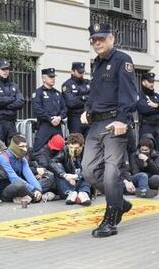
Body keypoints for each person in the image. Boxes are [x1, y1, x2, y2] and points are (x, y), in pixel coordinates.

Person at [81, 23, 138, 238]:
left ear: (111, 39)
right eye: (94, 40)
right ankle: (120, 202)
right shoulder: (97, 63)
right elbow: (95, 93)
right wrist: (87, 110)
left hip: (116, 123)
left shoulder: (122, 60)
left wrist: (123, 119)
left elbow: (129, 93)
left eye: (101, 39)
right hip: (96, 124)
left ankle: (111, 220)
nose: (97, 43)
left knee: (112, 172)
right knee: (88, 170)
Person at [0, 133, 43, 205]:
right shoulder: (3, 158)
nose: (25, 149)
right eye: (22, 146)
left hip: (23, 186)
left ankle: (33, 196)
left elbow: (29, 175)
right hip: (6, 190)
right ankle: (34, 197)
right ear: (14, 147)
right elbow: (13, 178)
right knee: (19, 185)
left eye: (25, 146)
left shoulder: (22, 159)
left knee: (49, 177)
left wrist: (38, 189)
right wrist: (33, 190)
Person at [0, 59, 25, 145]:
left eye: (7, 69)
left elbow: (21, 102)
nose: (6, 71)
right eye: (3, 69)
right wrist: (12, 98)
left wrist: (5, 104)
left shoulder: (14, 86)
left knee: (14, 151)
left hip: (11, 123)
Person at [32, 68, 67, 152]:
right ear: (44, 79)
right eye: (50, 77)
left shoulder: (58, 93)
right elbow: (37, 110)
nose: (53, 79)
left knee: (60, 149)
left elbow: (64, 108)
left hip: (57, 126)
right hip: (45, 125)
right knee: (38, 150)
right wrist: (50, 119)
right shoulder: (38, 93)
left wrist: (59, 117)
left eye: (54, 77)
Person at [62, 62, 90, 135]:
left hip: (88, 117)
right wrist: (84, 97)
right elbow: (71, 102)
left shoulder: (88, 83)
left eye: (83, 72)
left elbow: (94, 98)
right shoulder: (67, 85)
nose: (82, 74)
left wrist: (80, 98)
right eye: (79, 72)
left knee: (90, 144)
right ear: (72, 71)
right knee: (76, 142)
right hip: (75, 119)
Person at [137, 72, 159, 149]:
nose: (152, 84)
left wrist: (156, 106)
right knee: (146, 151)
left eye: (153, 81)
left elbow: (149, 108)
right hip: (147, 127)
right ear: (143, 82)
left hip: (157, 127)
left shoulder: (156, 95)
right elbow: (143, 109)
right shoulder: (140, 95)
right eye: (149, 82)